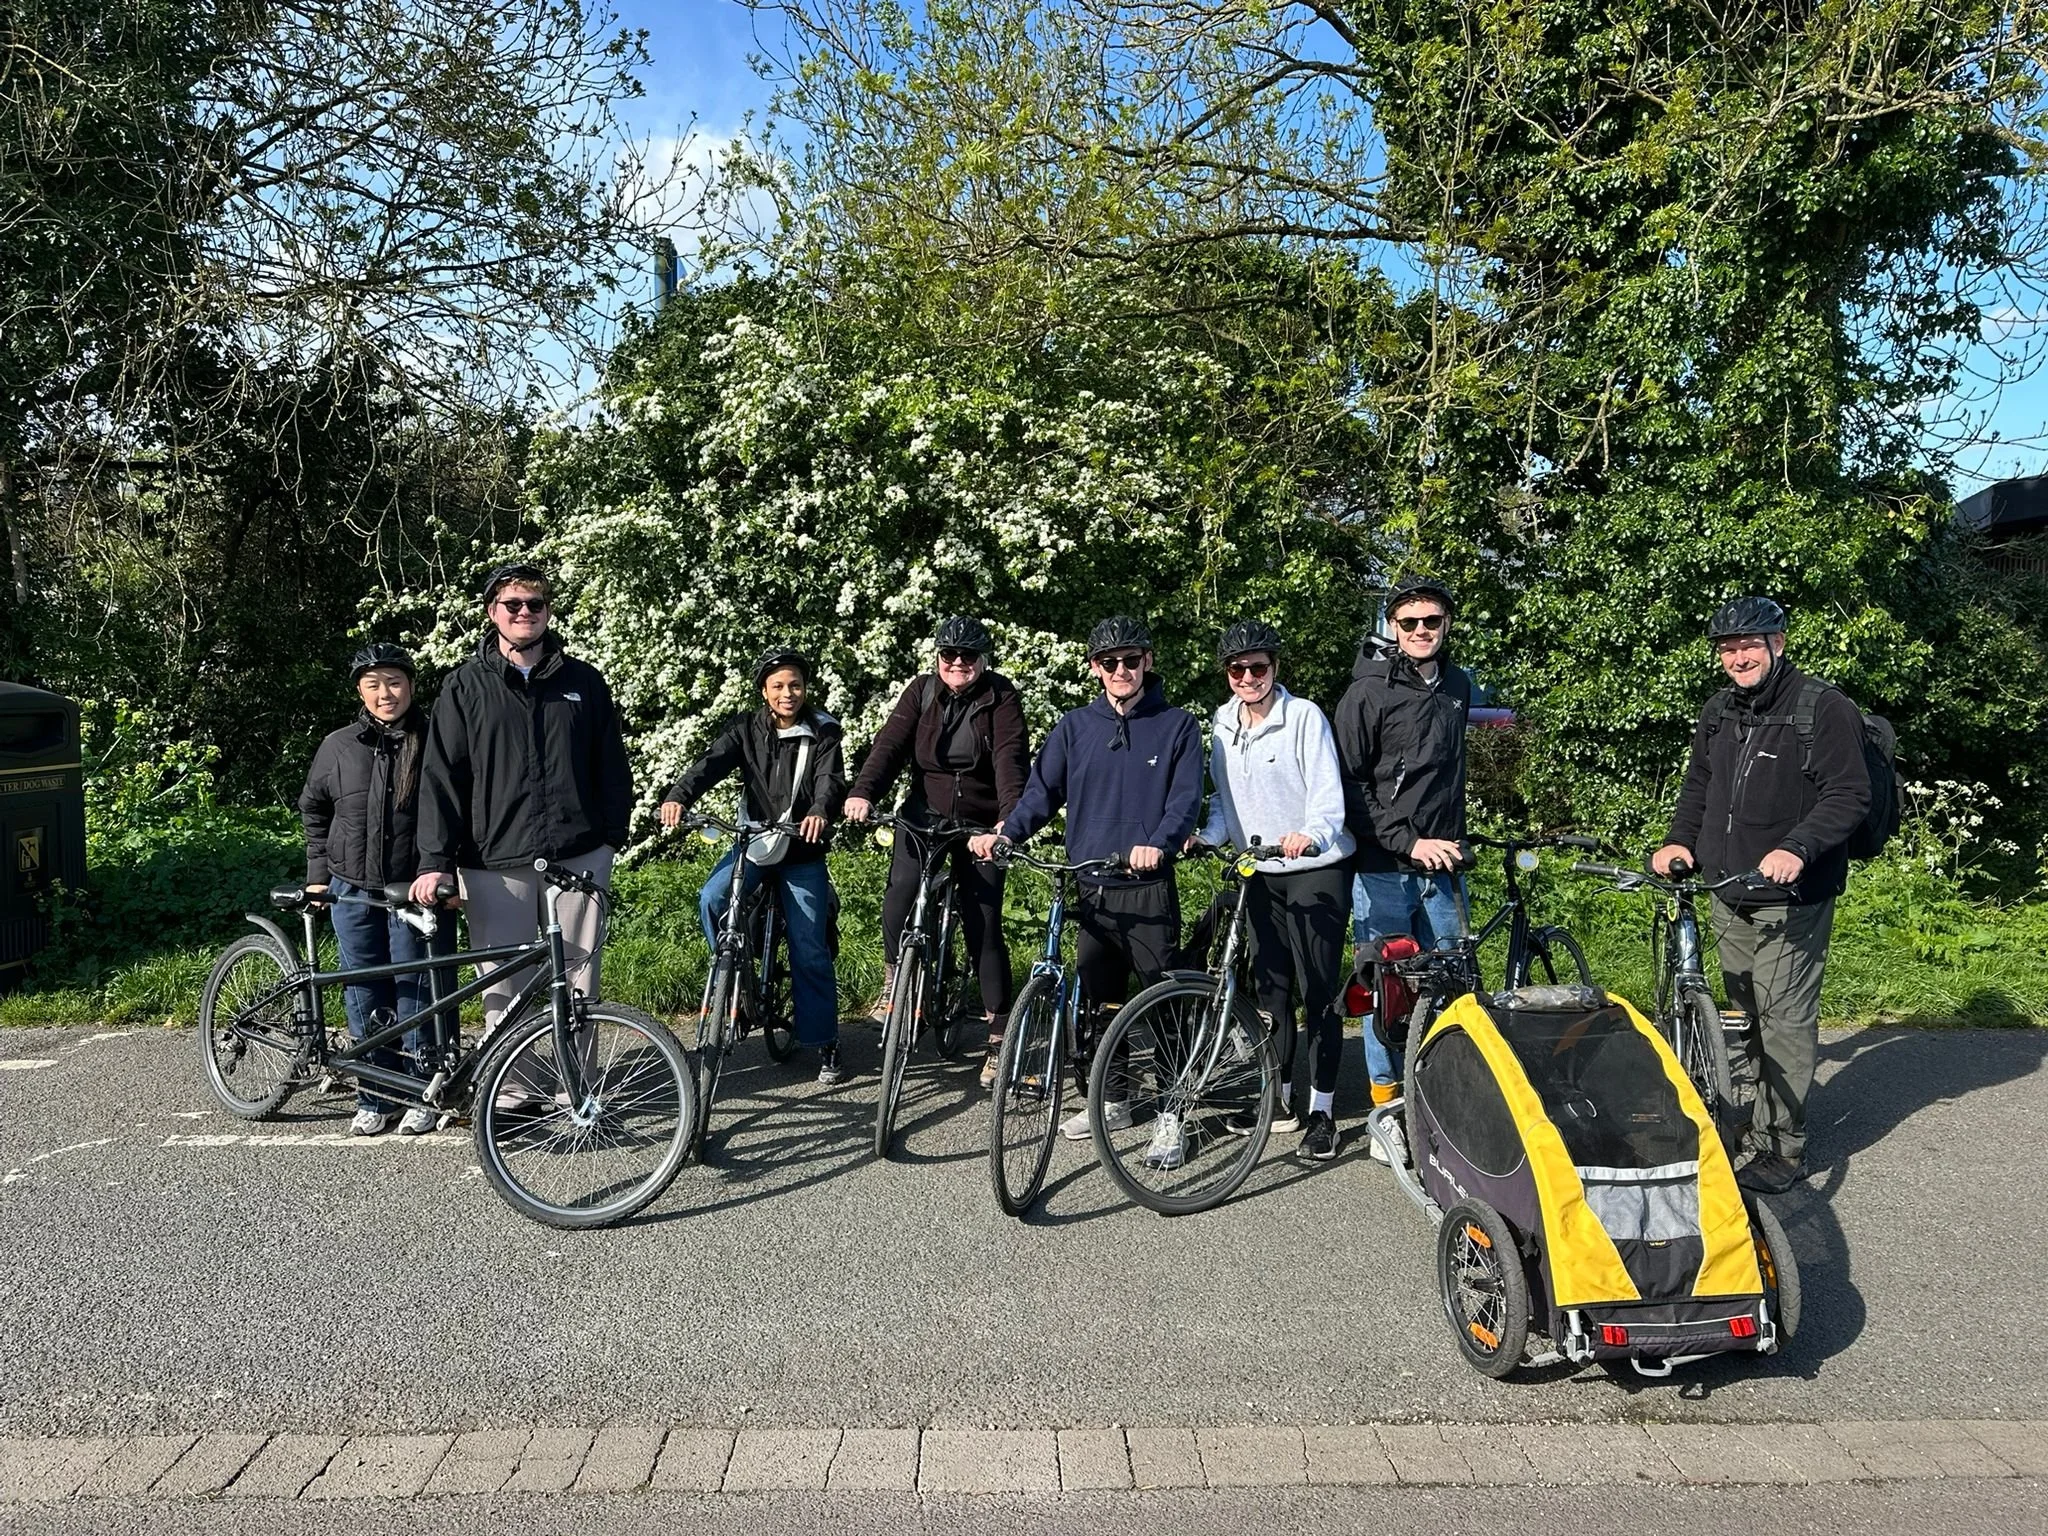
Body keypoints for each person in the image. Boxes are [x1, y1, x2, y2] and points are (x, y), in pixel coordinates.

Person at [1654, 596, 1870, 1195]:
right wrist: (1678, 841)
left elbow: (1849, 795)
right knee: (1745, 1010)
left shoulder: (1822, 709)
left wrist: (1798, 848)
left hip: (1790, 897)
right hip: (1729, 889)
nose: (1739, 656)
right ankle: (1756, 1117)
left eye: (1750, 644)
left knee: (1782, 1018)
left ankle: (1781, 1147)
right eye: (1728, 647)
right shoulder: (1720, 711)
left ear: (1779, 642)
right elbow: (1701, 784)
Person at [974, 615, 1203, 1160]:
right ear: (1095, 668)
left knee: (1159, 1000)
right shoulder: (1074, 727)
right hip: (1092, 884)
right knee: (1100, 1002)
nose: (1120, 670)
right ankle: (1114, 1099)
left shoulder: (1177, 726)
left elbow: (1185, 800)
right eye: (1109, 662)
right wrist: (1006, 833)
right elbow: (1040, 793)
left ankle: (1173, 1111)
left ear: (1147, 661)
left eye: (1130, 660)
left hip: (1146, 883)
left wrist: (1162, 843)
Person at [409, 563, 633, 1098]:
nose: (525, 613)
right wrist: (435, 859)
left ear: (548, 611)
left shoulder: (583, 682)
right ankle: (512, 1091)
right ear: (493, 614)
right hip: (493, 858)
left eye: (535, 604)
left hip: (576, 855)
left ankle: (574, 1085)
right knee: (503, 982)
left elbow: (611, 765)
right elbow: (442, 777)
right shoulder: (464, 686)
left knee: (578, 978)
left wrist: (609, 837)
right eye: (513, 605)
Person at [1189, 621, 1355, 1160]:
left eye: (1258, 668)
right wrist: (1207, 836)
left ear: (1274, 668)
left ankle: (1323, 1111)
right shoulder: (1220, 725)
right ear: (1227, 675)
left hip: (1314, 867)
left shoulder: (1303, 717)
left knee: (1318, 989)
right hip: (1259, 869)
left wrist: (1312, 835)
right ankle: (1278, 1099)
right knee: (1272, 991)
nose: (1248, 678)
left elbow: (1328, 793)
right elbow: (1224, 800)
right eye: (1237, 670)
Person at [844, 616, 1031, 1088]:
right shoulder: (922, 691)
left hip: (980, 824)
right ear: (937, 658)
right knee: (900, 893)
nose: (958, 663)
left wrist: (1010, 818)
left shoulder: (1001, 698)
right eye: (949, 655)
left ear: (983, 660)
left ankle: (997, 1033)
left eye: (968, 656)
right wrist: (864, 792)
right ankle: (895, 985)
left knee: (982, 922)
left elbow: (1010, 759)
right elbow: (889, 745)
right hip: (923, 817)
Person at [660, 646, 849, 1084]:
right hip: (756, 842)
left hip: (802, 848)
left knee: (809, 946)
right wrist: (677, 796)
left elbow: (830, 780)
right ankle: (735, 976)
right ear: (764, 691)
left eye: (795, 685)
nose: (788, 693)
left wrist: (820, 811)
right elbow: (709, 765)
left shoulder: (822, 731)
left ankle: (825, 1040)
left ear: (806, 689)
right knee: (713, 897)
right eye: (779, 686)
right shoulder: (745, 729)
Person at [1333, 574, 1472, 1165]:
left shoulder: (1457, 684)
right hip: (1384, 866)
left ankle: (1446, 1092)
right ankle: (1385, 1110)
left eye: (1431, 622)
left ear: (1446, 625)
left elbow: (1449, 778)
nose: (1420, 631)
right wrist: (1407, 842)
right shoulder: (1366, 692)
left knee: (1453, 980)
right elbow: (1350, 786)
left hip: (1443, 865)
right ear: (1392, 626)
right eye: (1408, 622)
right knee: (1384, 988)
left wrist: (1454, 840)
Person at [300, 644, 453, 1136]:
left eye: (394, 682)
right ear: (360, 692)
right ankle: (375, 1093)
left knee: (417, 989)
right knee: (363, 987)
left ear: (410, 685)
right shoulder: (339, 745)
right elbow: (315, 810)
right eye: (373, 685)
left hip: (416, 888)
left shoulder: (437, 740)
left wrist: (448, 874)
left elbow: (457, 813)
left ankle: (421, 1091)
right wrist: (319, 875)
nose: (385, 694)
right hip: (353, 887)